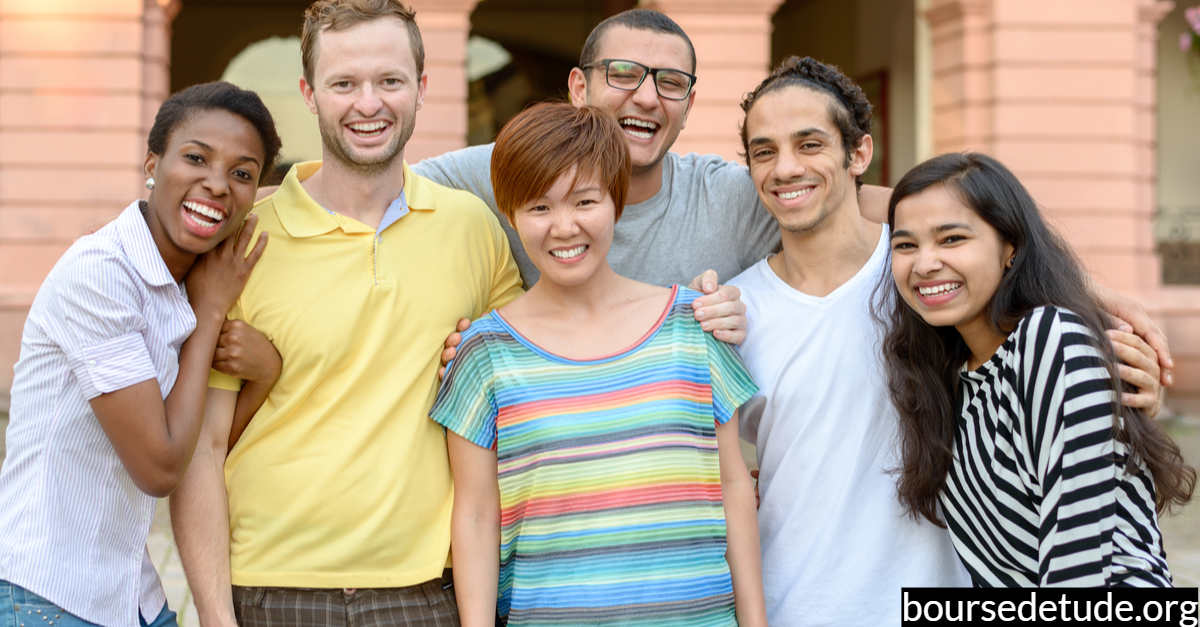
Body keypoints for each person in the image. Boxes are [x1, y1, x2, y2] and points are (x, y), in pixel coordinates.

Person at [412, 8, 1176, 387]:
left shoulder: (734, 192)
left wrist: (1081, 290)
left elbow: (888, 204)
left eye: (670, 82)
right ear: (580, 86)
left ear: (686, 101)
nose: (645, 96)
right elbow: (368, 203)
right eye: (622, 75)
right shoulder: (501, 171)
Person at [168, 2, 522, 626]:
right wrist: (217, 618)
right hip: (269, 591)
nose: (369, 104)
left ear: (421, 87)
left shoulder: (474, 229)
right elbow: (203, 447)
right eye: (344, 83)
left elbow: (523, 388)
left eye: (389, 80)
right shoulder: (246, 240)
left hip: (425, 591)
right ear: (309, 93)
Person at [430, 101, 766, 627]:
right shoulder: (483, 352)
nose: (564, 227)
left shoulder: (693, 326)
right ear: (510, 213)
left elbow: (732, 488)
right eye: (539, 207)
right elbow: (475, 515)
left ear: (616, 200)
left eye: (584, 200)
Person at [0, 81, 280, 627]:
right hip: (46, 598)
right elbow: (159, 466)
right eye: (196, 158)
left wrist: (265, 376)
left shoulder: (182, 278)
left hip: (132, 595)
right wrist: (211, 312)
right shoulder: (102, 276)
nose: (217, 184)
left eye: (242, 173)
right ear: (152, 163)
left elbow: (200, 445)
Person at [725, 56, 970, 627]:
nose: (785, 168)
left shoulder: (927, 274)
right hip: (795, 607)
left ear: (858, 153)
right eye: (764, 152)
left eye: (809, 144)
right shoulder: (734, 312)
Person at [880, 152, 1196, 587]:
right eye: (905, 245)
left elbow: (1079, 565)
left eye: (952, 239)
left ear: (1011, 248)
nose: (925, 263)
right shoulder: (951, 380)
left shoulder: (1051, 338)